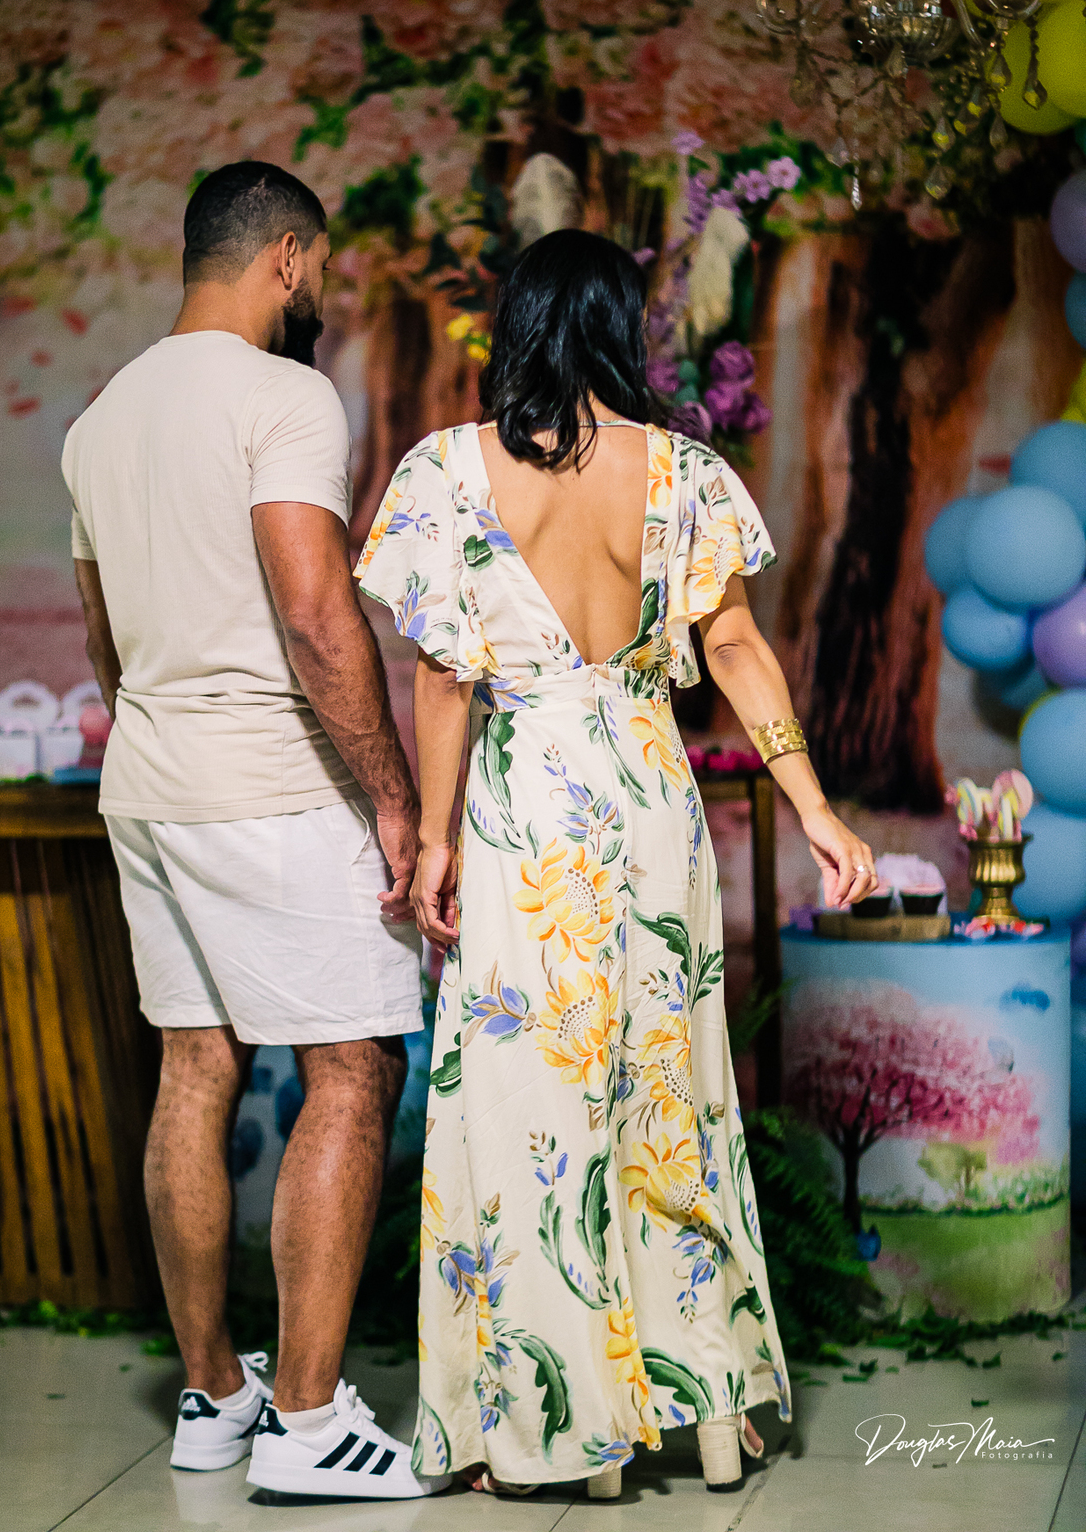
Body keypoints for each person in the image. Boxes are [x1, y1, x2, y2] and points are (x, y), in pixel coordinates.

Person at [356, 228, 878, 1499]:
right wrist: (814, 806)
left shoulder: (448, 472)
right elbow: (737, 646)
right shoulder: (686, 472)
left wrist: (434, 839)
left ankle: (557, 1425)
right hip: (648, 798)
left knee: (531, 1104)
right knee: (668, 1094)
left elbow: (444, 680)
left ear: (519, 327)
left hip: (529, 803)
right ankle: (703, 1402)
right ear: (617, 327)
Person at [62, 161, 447, 1501]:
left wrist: (167, 731)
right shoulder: (284, 396)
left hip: (149, 784)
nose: (319, 291)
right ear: (286, 255)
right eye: (319, 267)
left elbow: (103, 642)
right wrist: (392, 792)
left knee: (195, 1066)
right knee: (353, 1068)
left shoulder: (101, 420)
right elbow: (316, 612)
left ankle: (214, 1393)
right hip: (273, 787)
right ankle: (309, 1420)